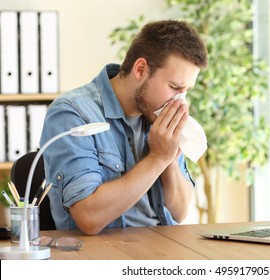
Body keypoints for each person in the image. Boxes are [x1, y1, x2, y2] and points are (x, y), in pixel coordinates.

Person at [40, 20, 208, 235]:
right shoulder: (73, 113)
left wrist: (170, 159)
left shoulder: (158, 113)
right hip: (106, 255)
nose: (180, 100)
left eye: (186, 90)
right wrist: (157, 159)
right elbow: (89, 218)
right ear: (140, 69)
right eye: (175, 87)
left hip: (163, 248)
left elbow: (180, 212)